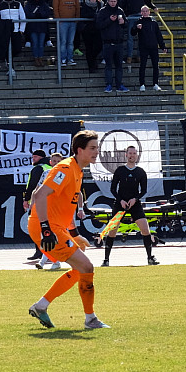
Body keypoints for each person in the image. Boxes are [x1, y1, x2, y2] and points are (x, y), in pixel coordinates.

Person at [27, 130, 110, 330]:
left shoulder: (77, 170)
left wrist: (74, 235)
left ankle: (41, 306)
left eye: (97, 148)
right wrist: (46, 230)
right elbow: (39, 195)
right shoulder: (64, 169)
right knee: (86, 267)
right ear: (79, 150)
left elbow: (64, 206)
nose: (96, 152)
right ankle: (90, 320)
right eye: (92, 148)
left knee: (80, 270)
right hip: (47, 227)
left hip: (56, 228)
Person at [101, 145, 159, 266]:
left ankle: (150, 258)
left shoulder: (140, 172)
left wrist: (135, 199)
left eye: (134, 153)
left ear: (137, 155)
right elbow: (113, 189)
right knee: (112, 231)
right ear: (126, 155)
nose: (132, 155)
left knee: (145, 229)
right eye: (130, 153)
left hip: (135, 204)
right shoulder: (120, 170)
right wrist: (121, 200)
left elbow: (143, 190)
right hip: (120, 204)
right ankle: (106, 260)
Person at [35, 152, 65, 270]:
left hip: (58, 208)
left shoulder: (63, 174)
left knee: (58, 235)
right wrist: (33, 202)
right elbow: (38, 189)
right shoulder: (46, 173)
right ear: (50, 162)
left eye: (58, 161)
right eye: (54, 161)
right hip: (46, 207)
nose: (56, 163)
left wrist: (80, 208)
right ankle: (51, 261)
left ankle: (47, 261)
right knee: (46, 234)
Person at [97, 0, 128, 92]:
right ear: (108, 1)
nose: (113, 3)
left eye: (114, 1)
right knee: (108, 66)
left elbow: (126, 24)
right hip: (107, 43)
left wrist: (123, 22)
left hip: (119, 43)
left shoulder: (120, 10)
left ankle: (119, 85)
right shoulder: (103, 11)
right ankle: (109, 85)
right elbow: (99, 25)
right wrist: (109, 20)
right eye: (111, 1)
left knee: (119, 66)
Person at [132, 5, 166, 92]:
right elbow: (132, 33)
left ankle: (155, 84)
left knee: (155, 65)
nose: (145, 13)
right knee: (142, 66)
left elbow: (158, 35)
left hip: (153, 47)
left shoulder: (153, 22)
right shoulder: (138, 22)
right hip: (143, 47)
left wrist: (162, 46)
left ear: (149, 12)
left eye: (146, 11)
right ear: (141, 12)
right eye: (143, 11)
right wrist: (136, 28)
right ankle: (142, 84)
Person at [0, 0, 26, 76]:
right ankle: (10, 66)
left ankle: (9, 63)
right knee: (6, 49)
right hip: (4, 31)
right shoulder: (0, 5)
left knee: (16, 48)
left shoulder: (18, 4)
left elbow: (23, 18)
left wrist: (21, 30)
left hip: (16, 30)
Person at [52, 0, 79, 66]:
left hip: (72, 22)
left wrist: (76, 19)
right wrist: (58, 19)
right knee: (63, 41)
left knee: (70, 42)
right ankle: (62, 59)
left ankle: (70, 58)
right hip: (62, 22)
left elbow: (77, 8)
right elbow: (55, 8)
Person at [25, 0, 52, 67]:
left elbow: (47, 12)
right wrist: (34, 15)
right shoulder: (29, 4)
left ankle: (40, 58)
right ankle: (36, 58)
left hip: (42, 27)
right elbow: (27, 13)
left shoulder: (43, 3)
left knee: (41, 44)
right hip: (32, 27)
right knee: (35, 43)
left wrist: (40, 14)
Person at [80, 0, 102, 71]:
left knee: (98, 46)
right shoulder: (85, 5)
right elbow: (83, 14)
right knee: (89, 48)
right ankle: (91, 66)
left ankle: (93, 60)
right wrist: (94, 15)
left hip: (97, 29)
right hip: (87, 29)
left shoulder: (100, 4)